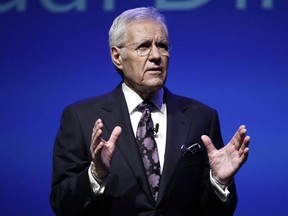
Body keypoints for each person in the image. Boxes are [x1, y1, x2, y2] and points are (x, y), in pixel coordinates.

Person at [50, 7, 250, 216]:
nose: (156, 56)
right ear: (117, 56)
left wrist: (219, 183)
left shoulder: (201, 118)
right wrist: (96, 174)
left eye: (162, 46)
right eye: (143, 47)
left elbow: (217, 212)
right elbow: (62, 206)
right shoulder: (81, 118)